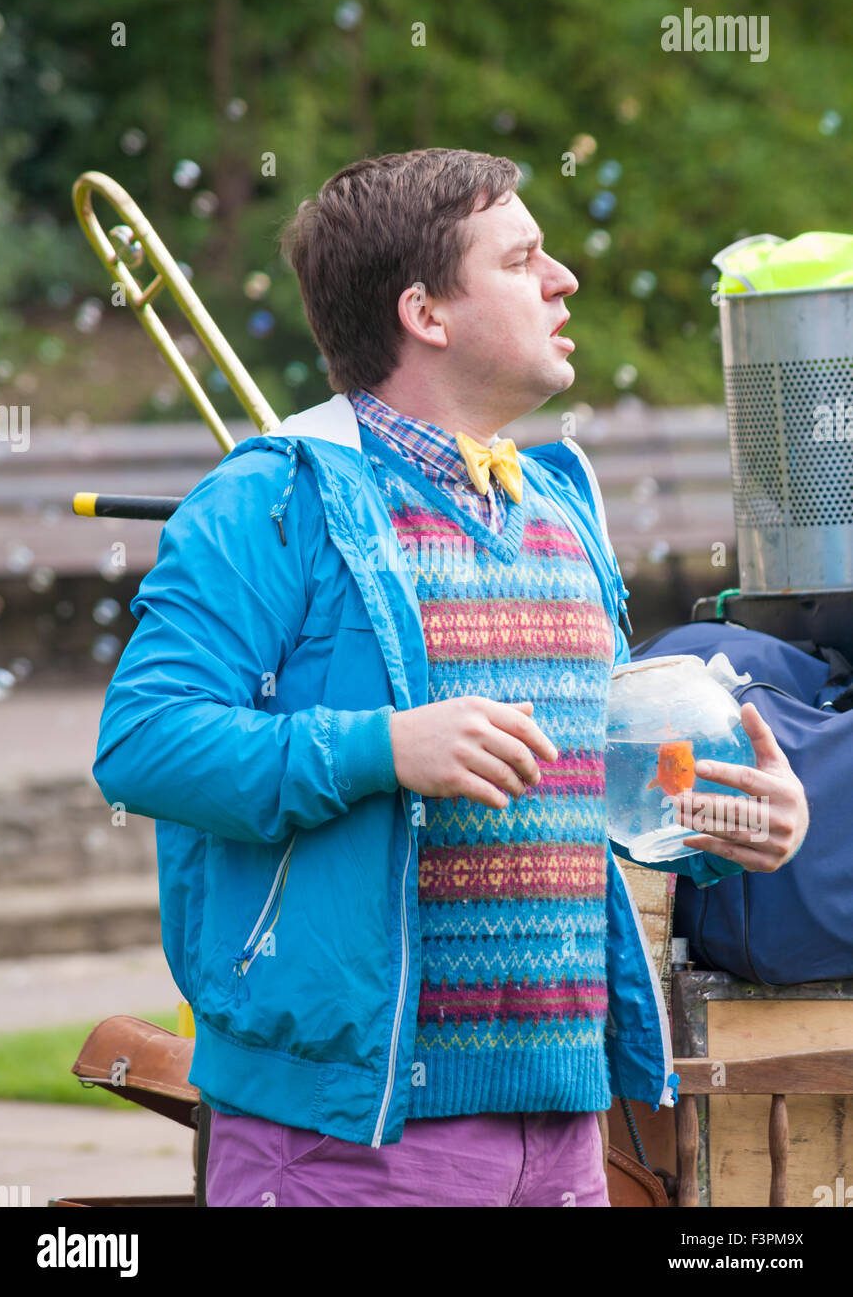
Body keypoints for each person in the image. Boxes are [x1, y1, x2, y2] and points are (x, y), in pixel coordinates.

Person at [93, 148, 809, 1208]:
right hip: (347, 1142)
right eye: (522, 260)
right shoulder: (265, 497)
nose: (563, 278)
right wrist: (383, 746)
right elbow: (142, 742)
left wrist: (714, 829)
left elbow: (574, 789)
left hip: (567, 1124)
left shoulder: (559, 499)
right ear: (424, 311)